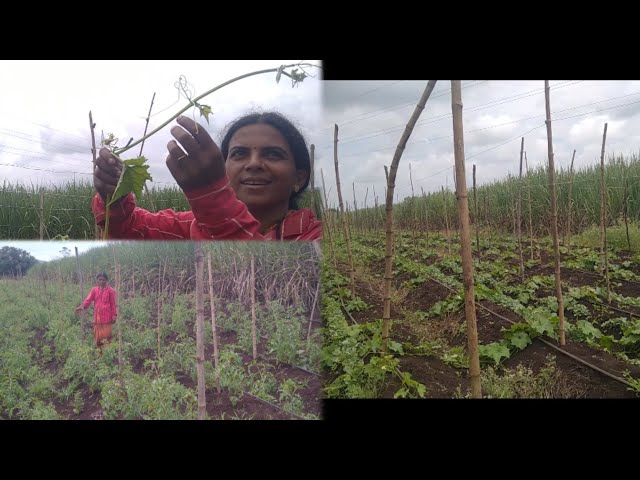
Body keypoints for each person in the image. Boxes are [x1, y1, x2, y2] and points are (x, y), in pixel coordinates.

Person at [92, 112, 322, 240]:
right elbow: (131, 229)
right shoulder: (189, 225)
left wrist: (211, 197)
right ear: (223, 168)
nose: (254, 164)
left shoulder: (314, 237)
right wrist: (116, 197)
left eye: (273, 154)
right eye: (239, 154)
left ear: (299, 179)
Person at [75, 272, 117, 353]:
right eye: (99, 279)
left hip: (107, 318)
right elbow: (88, 300)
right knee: (98, 338)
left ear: (106, 280)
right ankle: (100, 353)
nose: (101, 281)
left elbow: (113, 304)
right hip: (97, 318)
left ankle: (108, 354)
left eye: (103, 280)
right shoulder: (94, 290)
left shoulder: (111, 291)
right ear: (97, 280)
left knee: (107, 337)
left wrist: (114, 315)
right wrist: (81, 307)